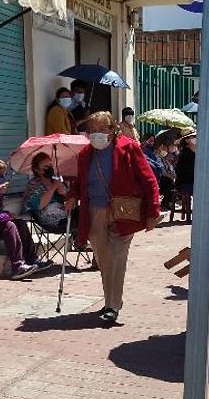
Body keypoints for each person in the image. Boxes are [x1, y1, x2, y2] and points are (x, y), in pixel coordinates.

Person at [69, 112, 160, 323]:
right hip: (95, 211)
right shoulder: (84, 154)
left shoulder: (128, 148)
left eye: (102, 130)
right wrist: (72, 196)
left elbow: (149, 180)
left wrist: (153, 211)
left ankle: (112, 305)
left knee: (117, 258)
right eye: (92, 130)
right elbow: (79, 182)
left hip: (124, 212)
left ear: (112, 130)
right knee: (103, 259)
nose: (96, 134)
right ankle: (111, 299)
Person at [24, 152, 71, 232]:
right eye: (46, 166)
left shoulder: (55, 180)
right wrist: (53, 188)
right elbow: (38, 205)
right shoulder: (33, 185)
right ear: (37, 170)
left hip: (66, 215)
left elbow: (68, 200)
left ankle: (78, 239)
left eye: (51, 166)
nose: (50, 168)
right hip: (50, 221)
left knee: (85, 215)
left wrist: (64, 193)